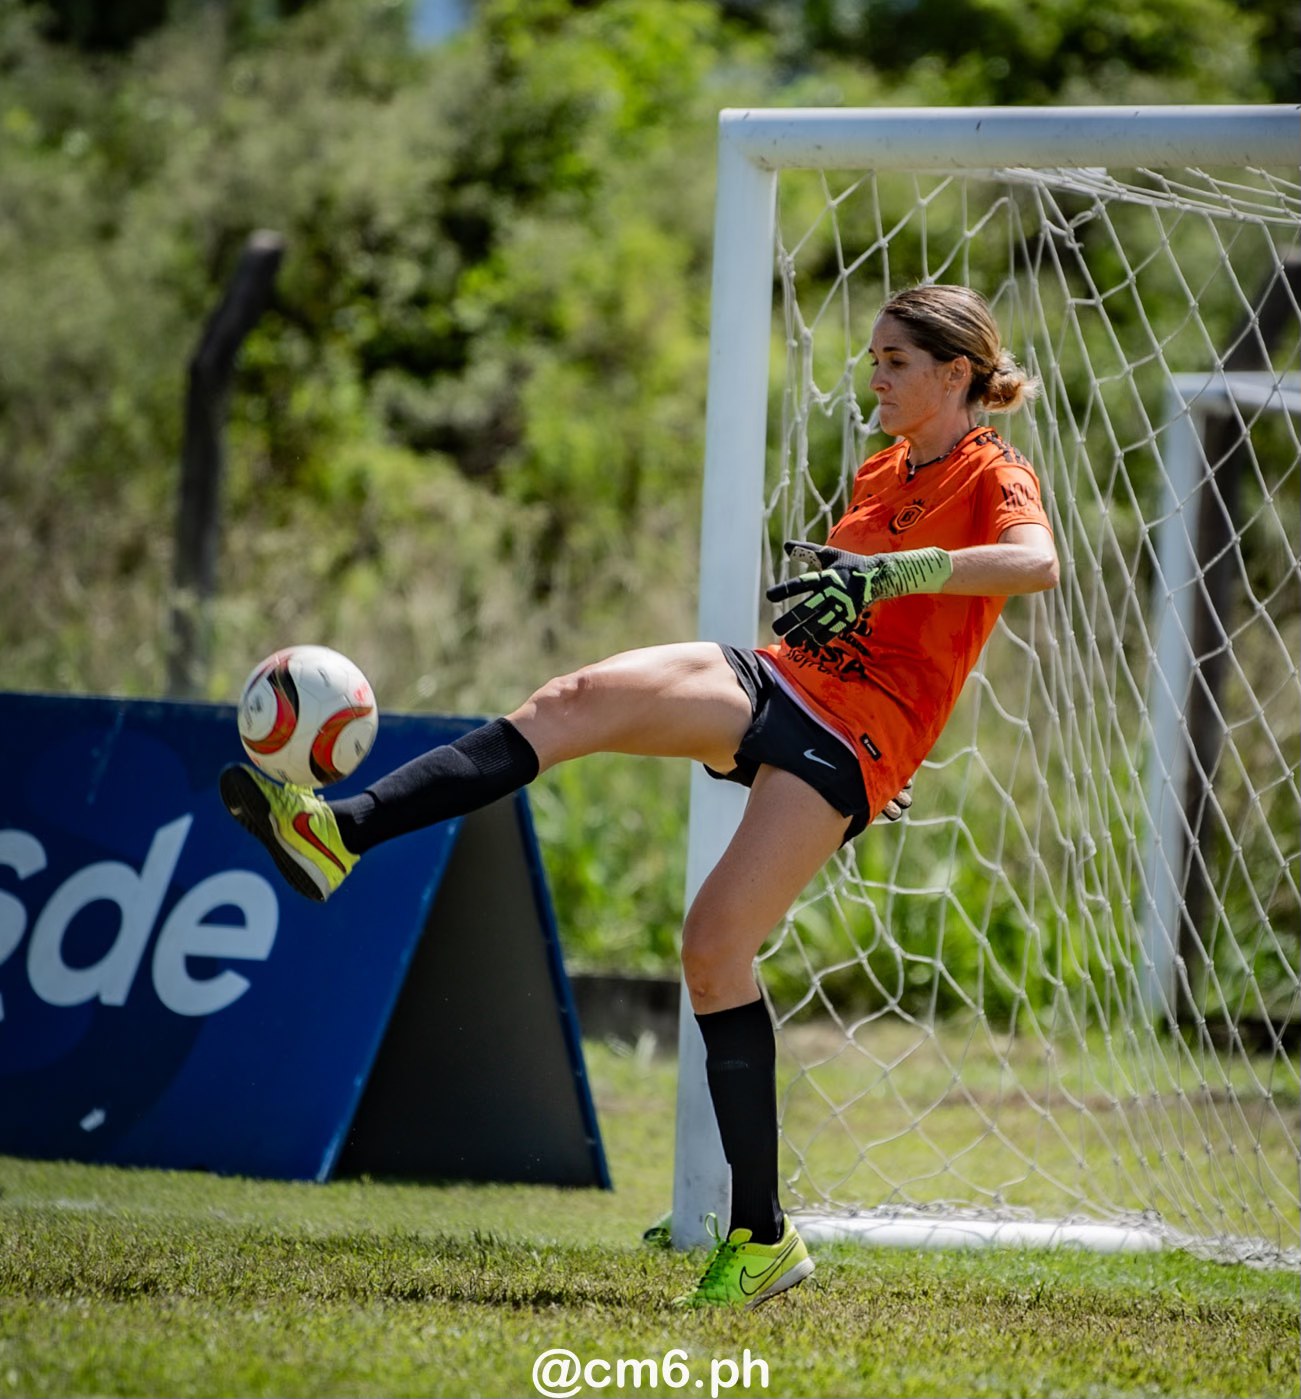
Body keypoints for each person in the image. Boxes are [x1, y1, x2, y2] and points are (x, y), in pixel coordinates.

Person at [219, 283, 1058, 1310]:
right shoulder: (882, 467)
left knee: (712, 949)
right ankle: (339, 831)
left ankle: (762, 1239)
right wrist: (849, 601)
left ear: (955, 372)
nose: (872, 376)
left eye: (894, 361)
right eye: (872, 356)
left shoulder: (993, 468)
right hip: (782, 680)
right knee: (573, 699)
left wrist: (888, 581)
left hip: (855, 737)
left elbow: (1034, 563)